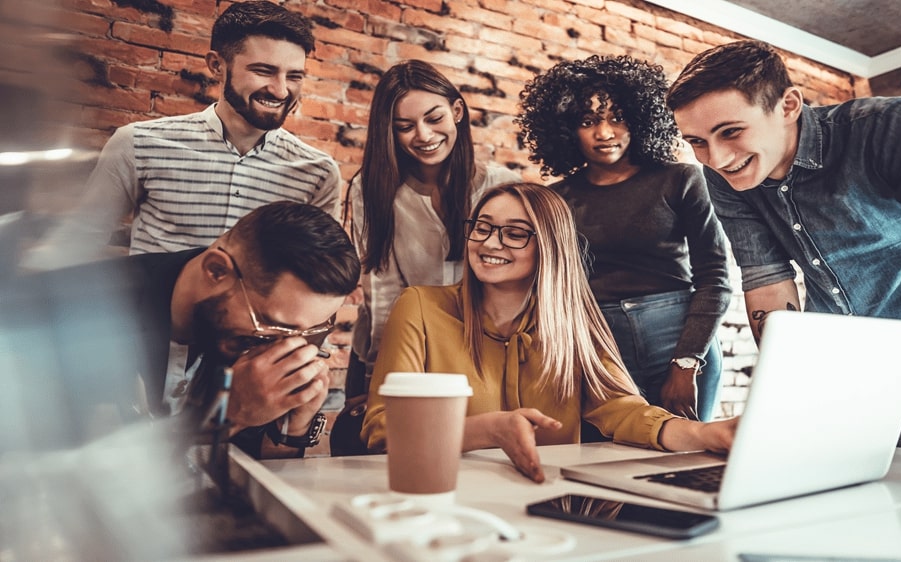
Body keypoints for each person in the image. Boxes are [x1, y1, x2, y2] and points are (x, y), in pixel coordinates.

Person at [666, 39, 901, 457]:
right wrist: (783, 400)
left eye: (730, 132)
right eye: (696, 141)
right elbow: (766, 280)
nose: (715, 158)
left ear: (788, 105)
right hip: (839, 376)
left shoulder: (889, 126)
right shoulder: (724, 176)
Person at [360, 183, 737, 482]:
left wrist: (705, 435)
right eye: (483, 227)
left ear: (548, 248)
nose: (491, 243)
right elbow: (382, 429)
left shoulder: (572, 322)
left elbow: (623, 411)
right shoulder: (420, 307)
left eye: (514, 234)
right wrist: (489, 430)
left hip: (545, 501)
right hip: (444, 494)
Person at [2, 201, 361, 459]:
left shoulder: (244, 339)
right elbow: (60, 475)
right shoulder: (78, 315)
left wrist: (292, 426)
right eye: (275, 325)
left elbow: (252, 486)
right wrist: (227, 414)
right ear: (218, 271)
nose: (289, 347)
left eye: (311, 332)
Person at [26, 0, 340, 265]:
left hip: (254, 339)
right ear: (217, 65)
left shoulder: (318, 172)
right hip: (152, 336)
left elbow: (318, 276)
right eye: (263, 71)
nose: (281, 90)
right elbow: (79, 241)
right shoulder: (137, 143)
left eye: (294, 76)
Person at [516, 55, 731, 422]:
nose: (604, 133)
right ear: (568, 130)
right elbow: (550, 288)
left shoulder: (680, 179)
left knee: (687, 458)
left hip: (679, 339)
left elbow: (715, 276)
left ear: (639, 116)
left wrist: (686, 362)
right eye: (588, 122)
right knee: (602, 458)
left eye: (617, 117)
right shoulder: (556, 199)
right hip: (598, 344)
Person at [346, 60, 520, 395]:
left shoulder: (501, 186)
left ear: (457, 111)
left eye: (434, 118)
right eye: (404, 126)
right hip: (395, 347)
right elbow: (382, 291)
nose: (423, 135)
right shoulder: (371, 189)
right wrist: (381, 374)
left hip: (478, 351)